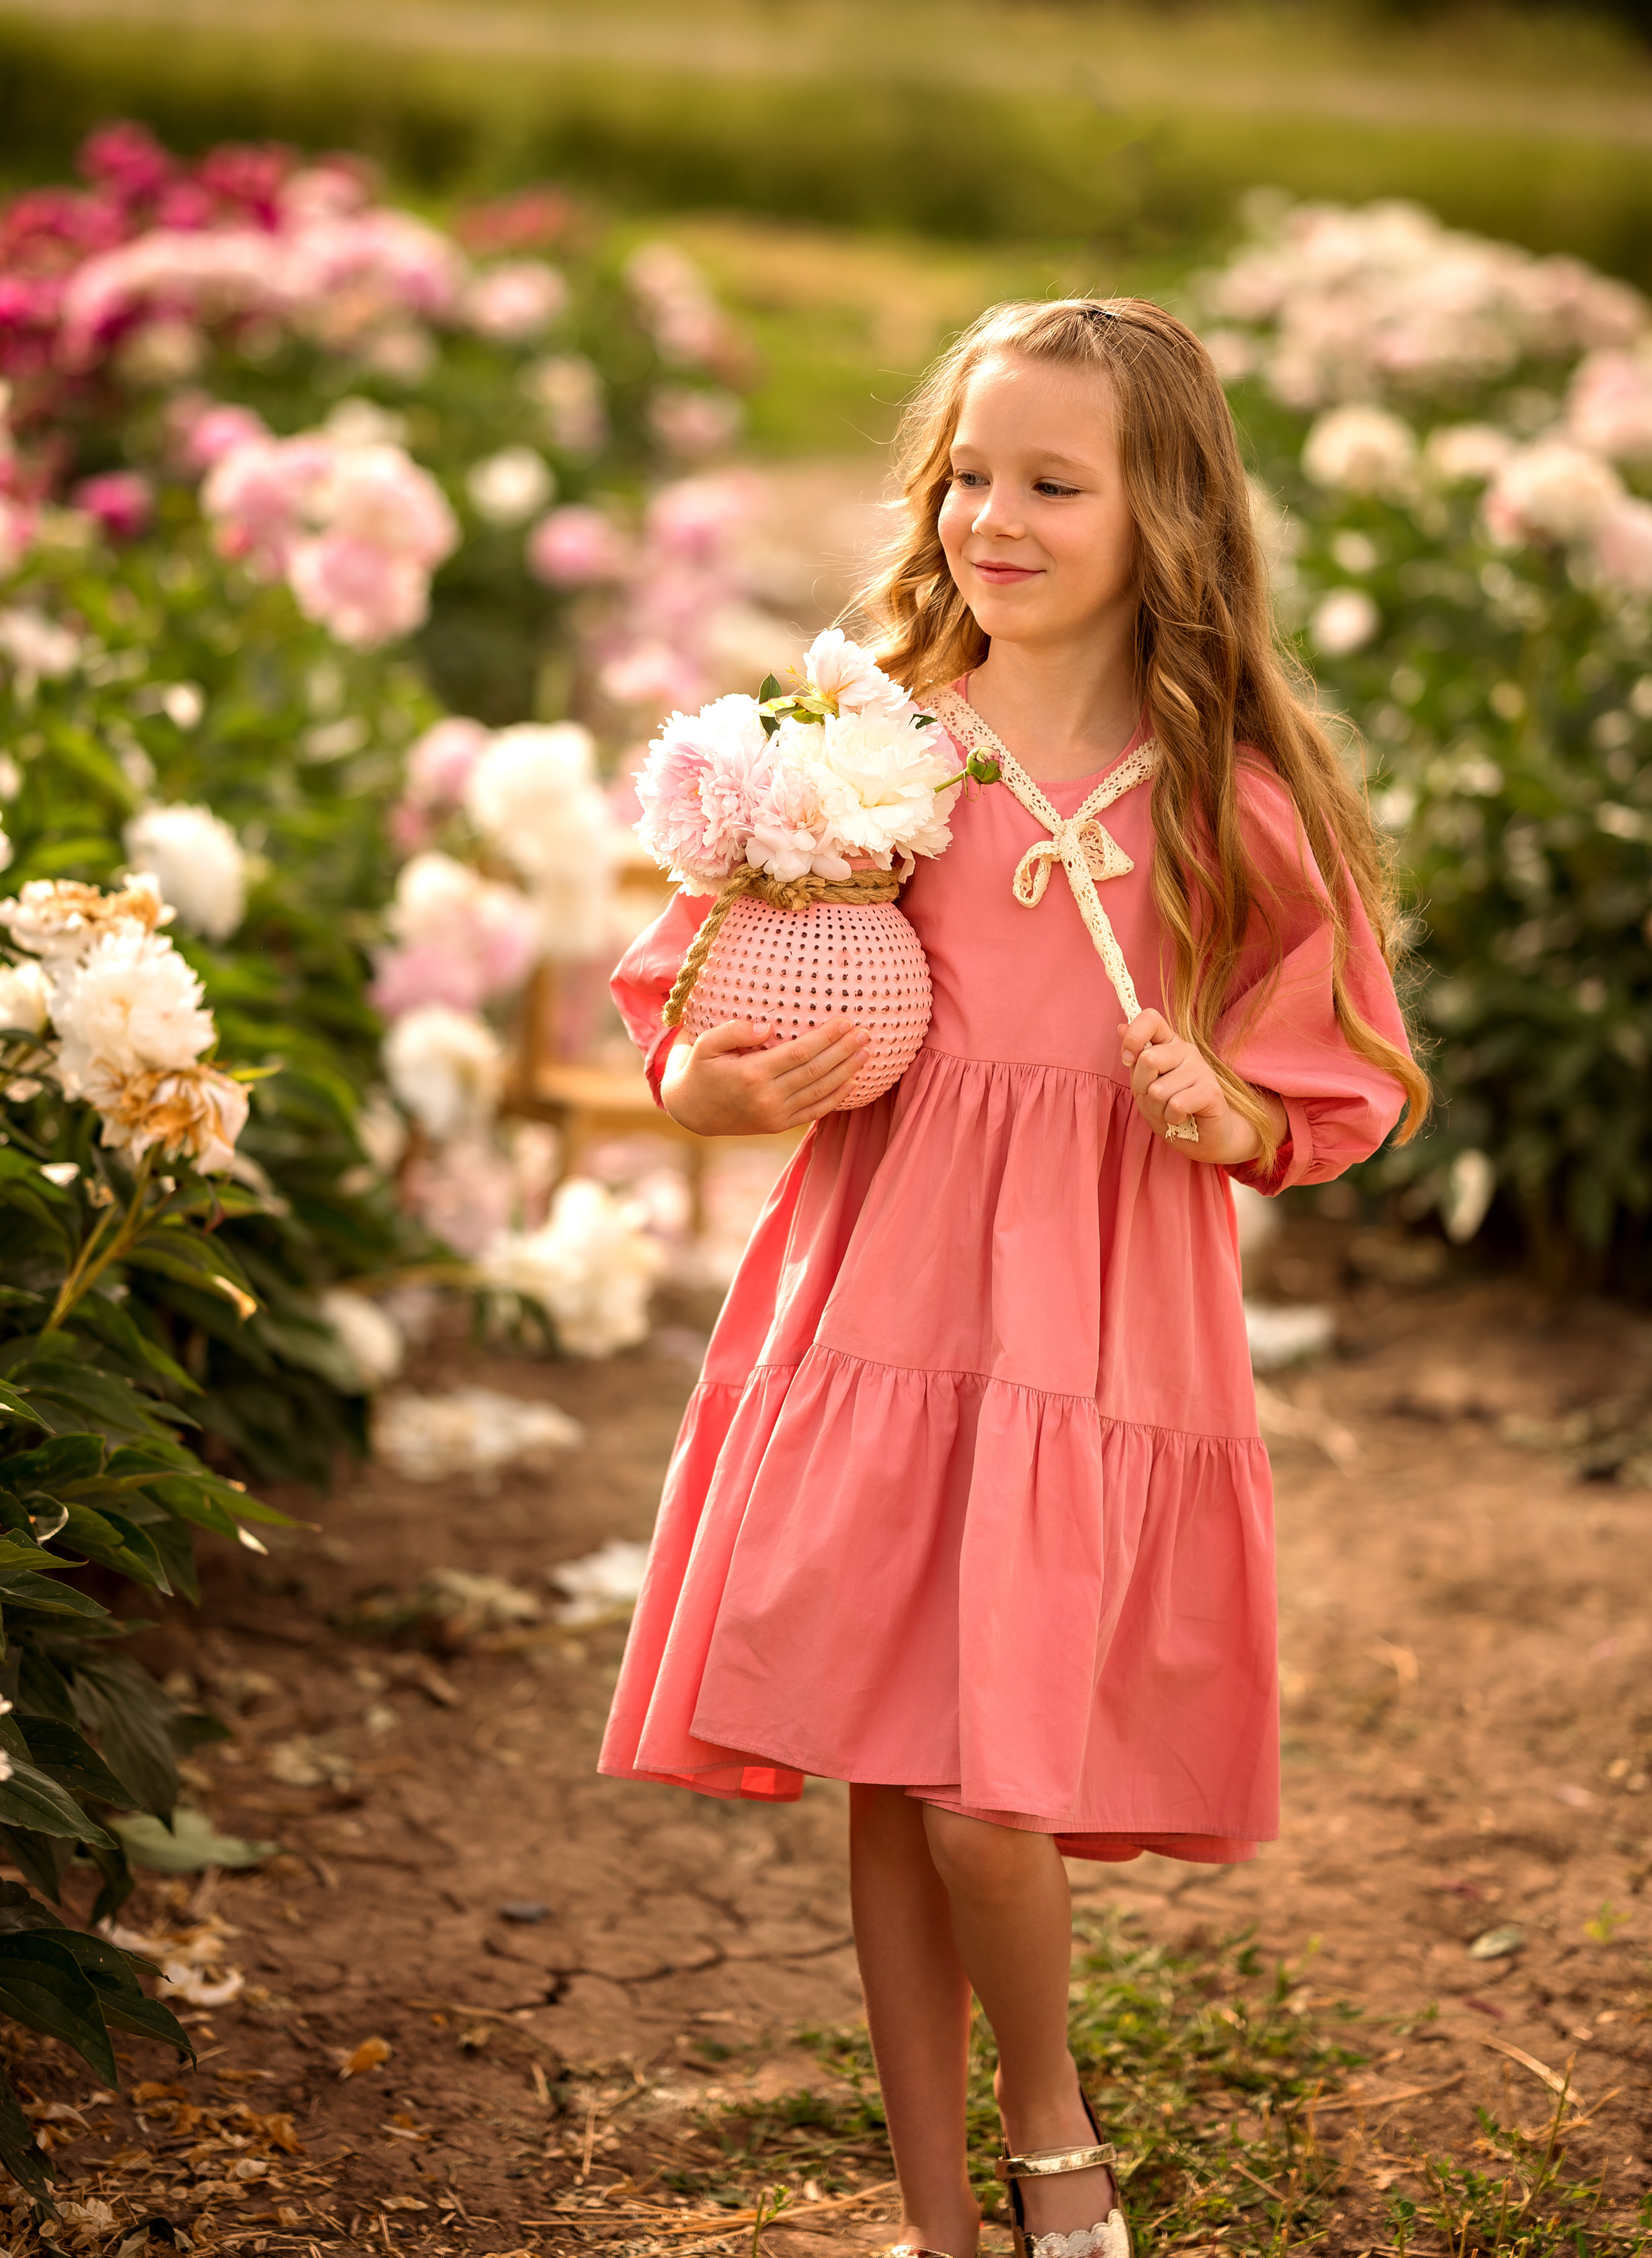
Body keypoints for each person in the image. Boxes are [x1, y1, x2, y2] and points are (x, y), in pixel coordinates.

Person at [603, 297, 1428, 2258]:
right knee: (897, 1768)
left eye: (1055, 483)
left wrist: (1231, 1111)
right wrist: (725, 1089)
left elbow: (1343, 1066)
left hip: (1092, 1323)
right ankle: (939, 2216)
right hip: (885, 1293)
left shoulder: (1229, 786)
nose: (997, 515)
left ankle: (1058, 2150)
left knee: (992, 1788)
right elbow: (692, 1013)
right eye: (972, 473)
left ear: (1172, 518)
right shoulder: (864, 747)